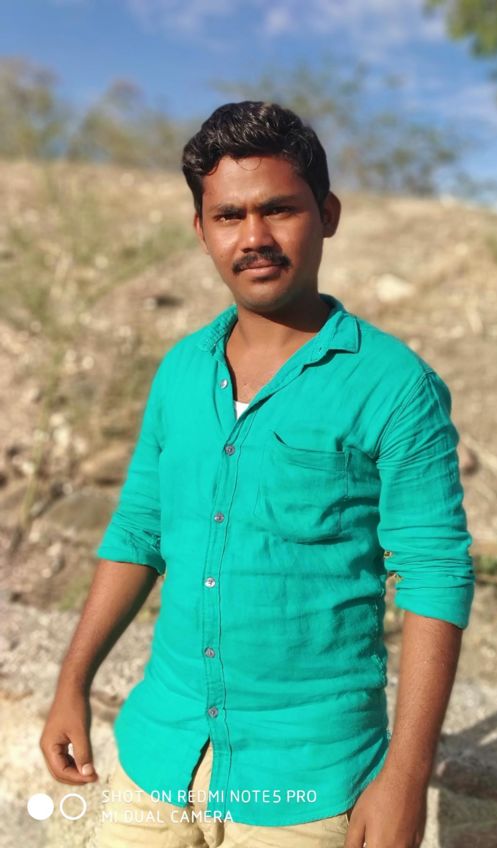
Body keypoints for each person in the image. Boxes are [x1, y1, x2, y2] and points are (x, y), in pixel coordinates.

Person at [40, 100, 475, 848]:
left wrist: (405, 778)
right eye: (228, 216)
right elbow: (139, 529)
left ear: (327, 215)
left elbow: (435, 573)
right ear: (201, 230)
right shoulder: (181, 371)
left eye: (279, 209)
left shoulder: (395, 386)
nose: (254, 238)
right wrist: (72, 681)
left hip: (308, 781)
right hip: (158, 754)